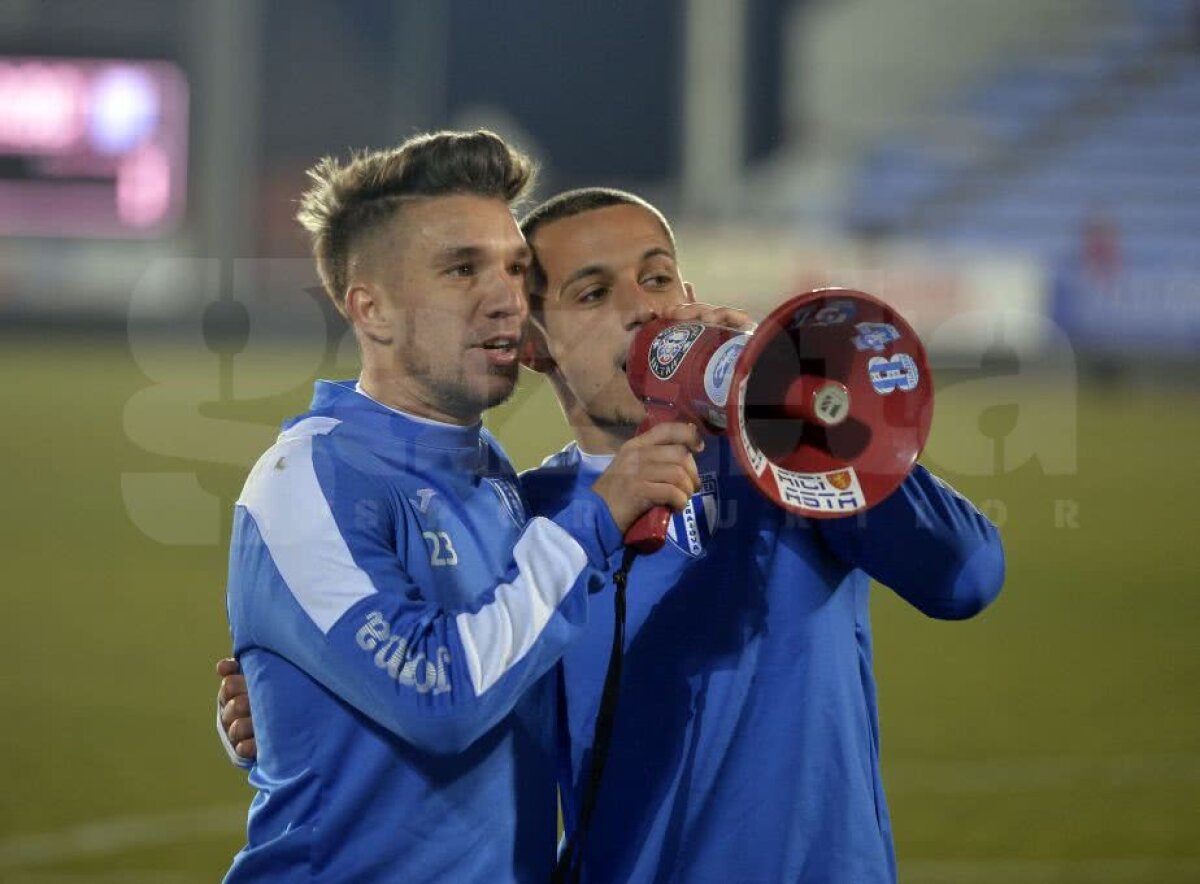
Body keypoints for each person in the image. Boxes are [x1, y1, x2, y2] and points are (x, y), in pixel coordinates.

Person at [221, 186, 1006, 883]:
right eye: (593, 293)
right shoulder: (527, 515)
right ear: (532, 344)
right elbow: (444, 682)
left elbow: (965, 575)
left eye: (657, 276)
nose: (643, 308)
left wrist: (787, 403)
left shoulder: (788, 466)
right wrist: (292, 708)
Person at [221, 137, 702, 884]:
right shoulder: (308, 476)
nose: (507, 297)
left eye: (515, 268)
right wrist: (592, 523)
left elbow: (509, 654)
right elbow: (440, 697)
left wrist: (291, 712)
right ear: (371, 310)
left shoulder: (490, 472)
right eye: (460, 270)